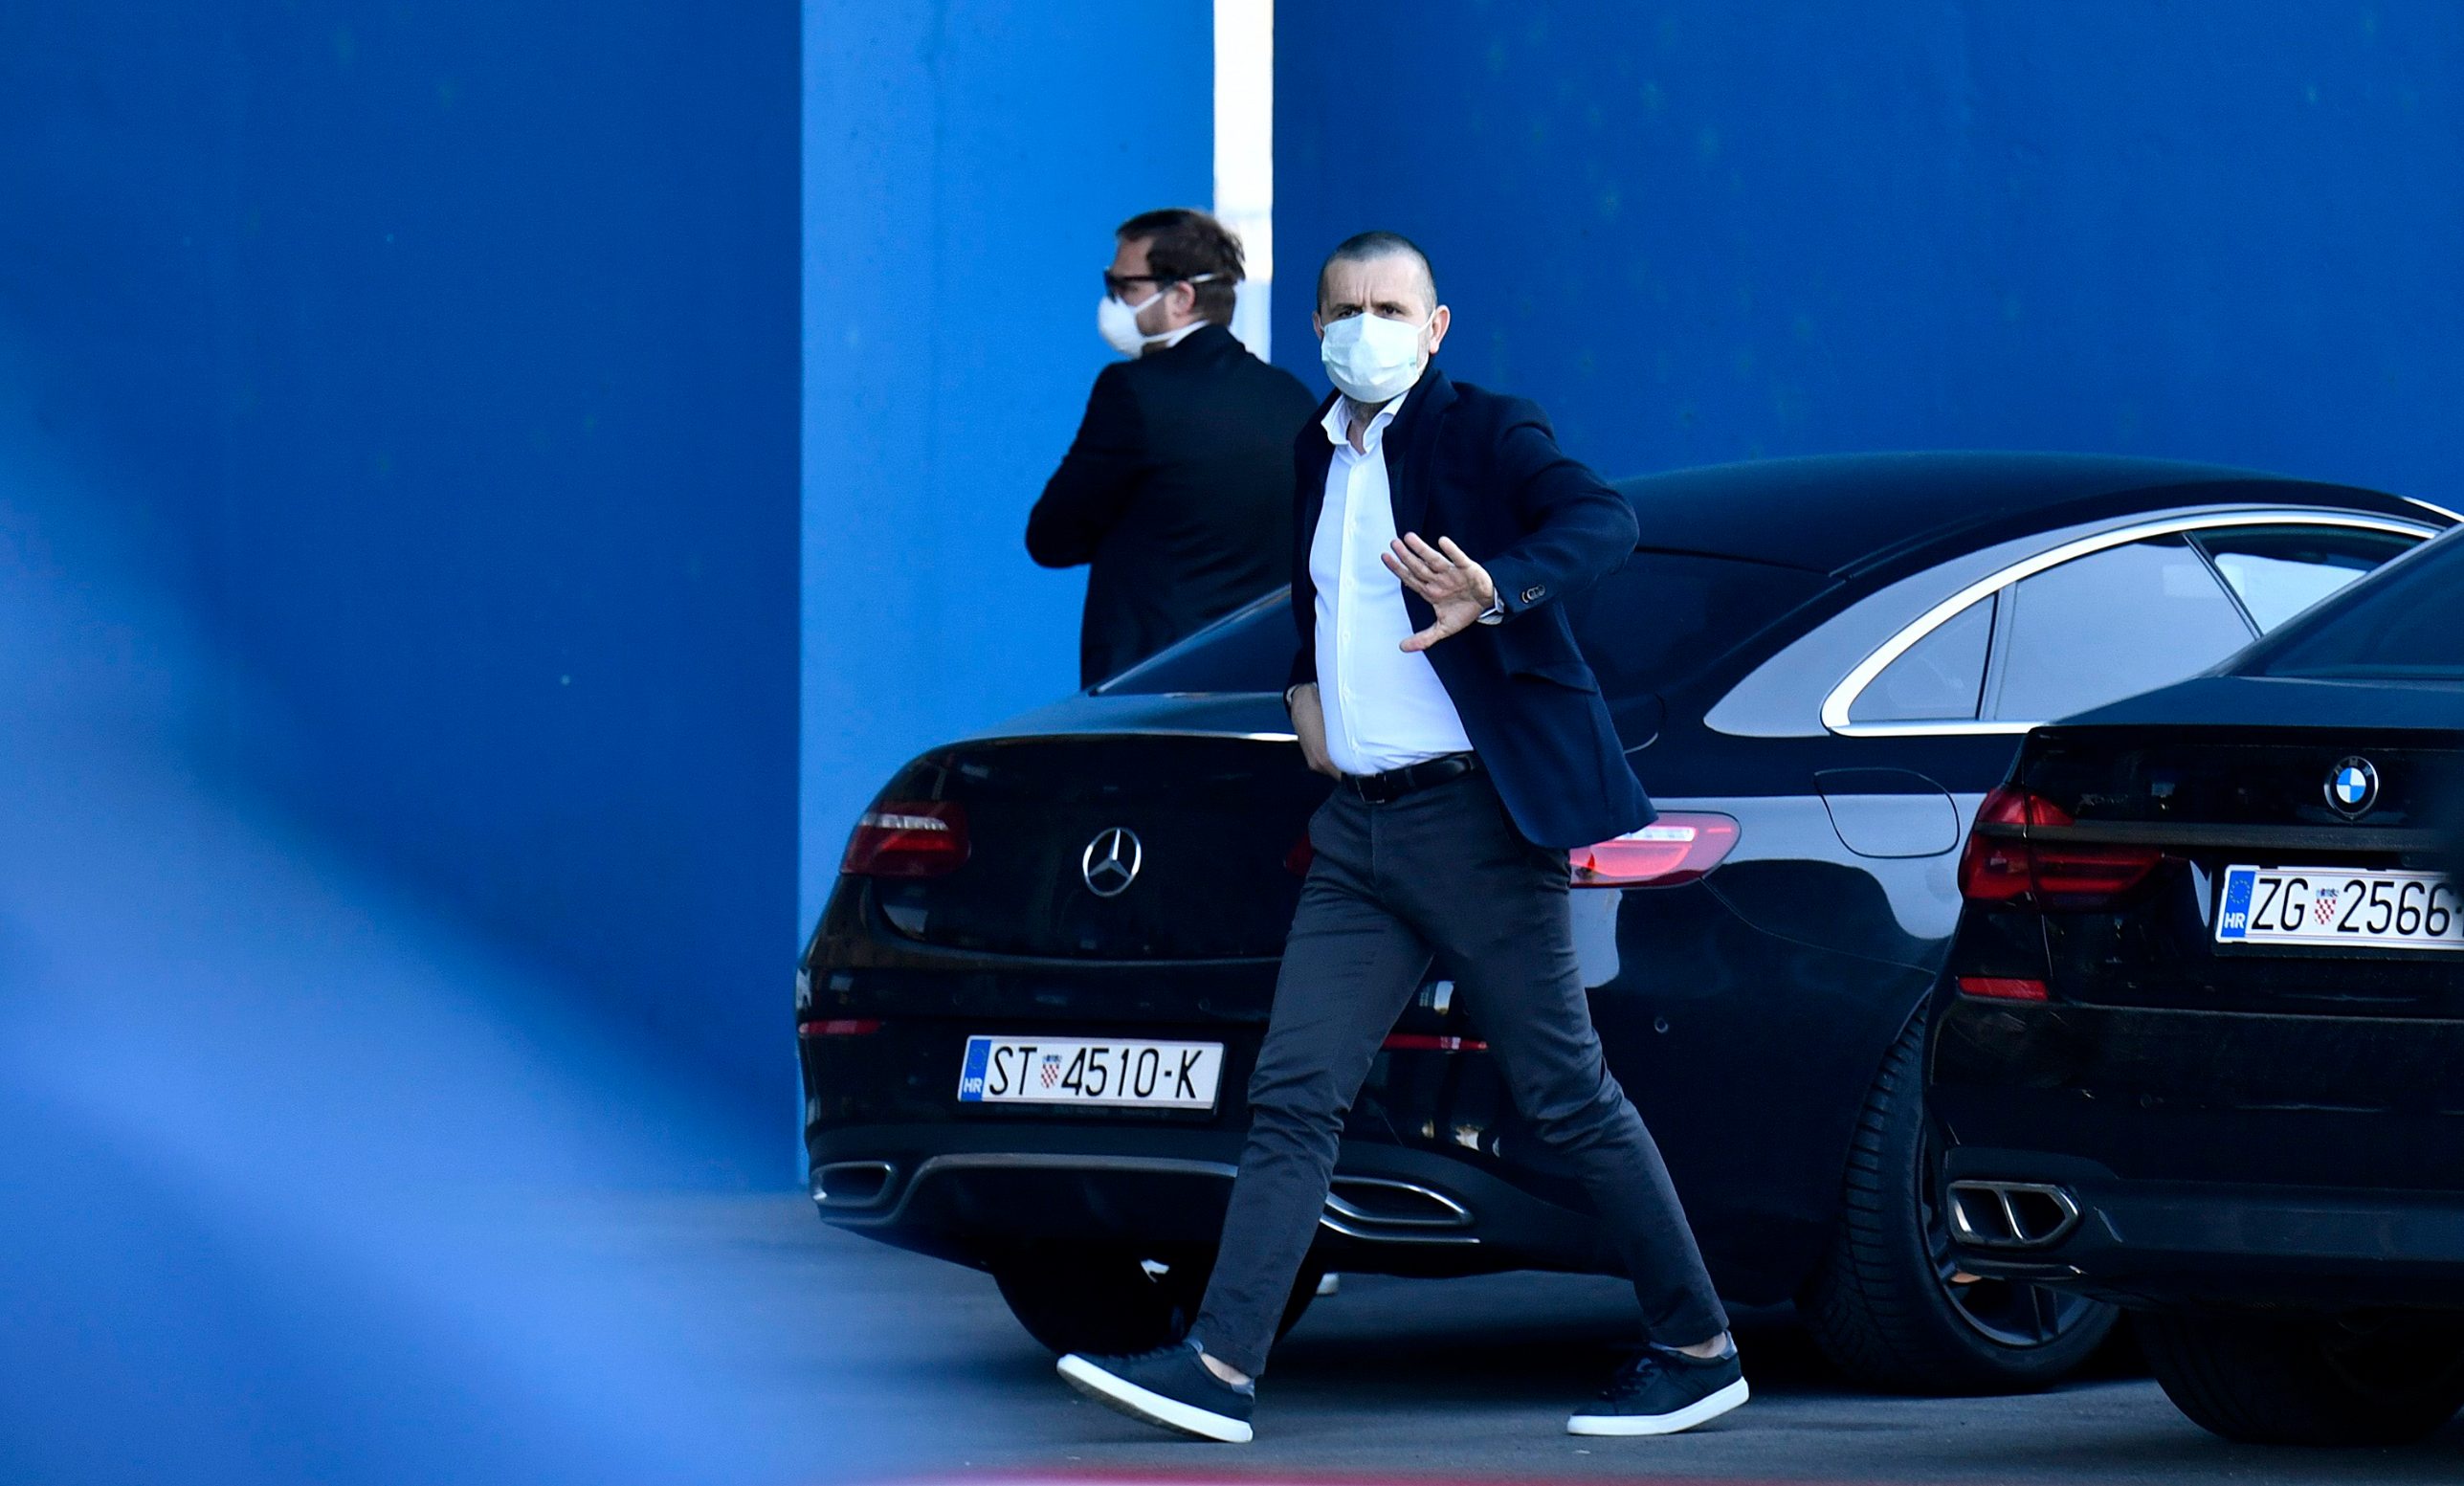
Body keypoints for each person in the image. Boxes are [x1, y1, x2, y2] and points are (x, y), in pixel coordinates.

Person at [1054, 232, 1745, 1443]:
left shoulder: (1483, 431)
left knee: (1563, 1091)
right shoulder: (1314, 451)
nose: (1363, 327)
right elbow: (1316, 601)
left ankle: (1697, 1345)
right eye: (1342, 309)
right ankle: (1219, 1366)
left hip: (1478, 819)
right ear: (1314, 328)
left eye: (1390, 307)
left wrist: (1498, 584)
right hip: (1358, 831)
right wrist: (1303, 701)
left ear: (1433, 327)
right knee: (1293, 1092)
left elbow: (1603, 520)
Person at [1027, 208, 1320, 687]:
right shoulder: (1291, 396)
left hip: (1147, 691)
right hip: (1263, 687)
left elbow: (1052, 536)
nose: (1113, 302)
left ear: (1182, 297)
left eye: (1126, 288)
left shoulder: (1132, 391)